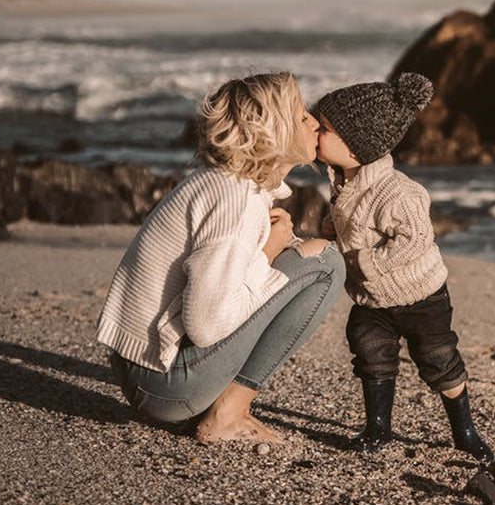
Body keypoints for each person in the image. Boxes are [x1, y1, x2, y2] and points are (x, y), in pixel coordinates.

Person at [96, 72, 345, 444]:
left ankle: (222, 407)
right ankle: (228, 415)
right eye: (300, 115)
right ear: (271, 130)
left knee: (303, 258)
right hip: (164, 383)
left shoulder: (229, 183)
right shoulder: (235, 199)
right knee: (325, 264)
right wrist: (270, 251)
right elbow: (207, 325)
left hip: (148, 369)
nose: (313, 121)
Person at [315, 72, 495, 464]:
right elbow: (352, 221)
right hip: (371, 298)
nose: (315, 130)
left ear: (357, 144)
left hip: (421, 296)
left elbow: (413, 238)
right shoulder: (344, 180)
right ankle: (378, 426)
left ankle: (464, 429)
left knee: (438, 359)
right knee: (370, 351)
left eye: (324, 128)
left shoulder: (398, 192)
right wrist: (331, 229)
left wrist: (365, 261)